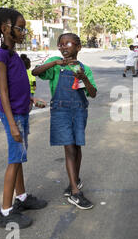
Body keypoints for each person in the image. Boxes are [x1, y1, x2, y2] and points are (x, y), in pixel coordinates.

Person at [0, 7, 47, 229]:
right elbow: (3, 92)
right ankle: (5, 212)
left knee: (20, 156)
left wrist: (31, 99)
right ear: (6, 28)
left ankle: (21, 198)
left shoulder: (13, 54)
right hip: (13, 116)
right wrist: (13, 124)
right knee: (14, 160)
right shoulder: (2, 55)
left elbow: (18, 86)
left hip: (21, 112)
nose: (24, 32)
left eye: (24, 28)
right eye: (20, 28)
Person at [32, 33, 97, 210]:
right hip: (61, 111)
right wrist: (54, 63)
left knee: (77, 146)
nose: (63, 47)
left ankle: (74, 181)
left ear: (78, 47)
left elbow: (92, 93)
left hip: (79, 111)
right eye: (60, 44)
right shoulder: (55, 65)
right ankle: (75, 192)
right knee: (69, 148)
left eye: (67, 43)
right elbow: (35, 72)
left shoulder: (84, 69)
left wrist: (83, 78)